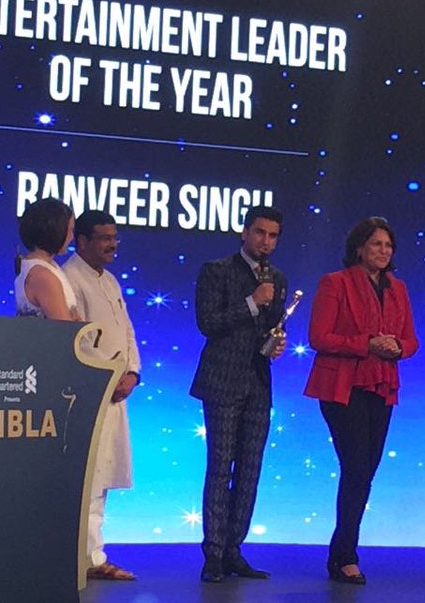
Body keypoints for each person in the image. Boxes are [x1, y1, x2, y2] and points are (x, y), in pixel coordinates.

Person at [304, 216, 418, 585]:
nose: (383, 251)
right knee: (355, 467)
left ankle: (341, 552)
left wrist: (397, 346)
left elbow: (411, 340)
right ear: (359, 248)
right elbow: (319, 337)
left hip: (382, 385)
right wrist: (367, 344)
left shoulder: (398, 288)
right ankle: (345, 556)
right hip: (343, 386)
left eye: (388, 245)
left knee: (366, 470)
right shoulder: (335, 283)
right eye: (376, 244)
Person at [190, 205, 288, 583]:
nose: (266, 241)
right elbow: (207, 323)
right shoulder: (216, 270)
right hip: (222, 381)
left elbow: (272, 326)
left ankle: (234, 550)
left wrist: (276, 342)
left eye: (273, 235)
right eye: (260, 232)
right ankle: (213, 554)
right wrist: (252, 302)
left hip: (258, 384)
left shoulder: (277, 278)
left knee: (250, 470)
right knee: (220, 468)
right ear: (245, 233)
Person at [63, 210, 140, 581]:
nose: (113, 245)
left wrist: (133, 372)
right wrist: (109, 375)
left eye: (115, 237)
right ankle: (86, 557)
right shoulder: (69, 278)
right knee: (88, 477)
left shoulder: (109, 280)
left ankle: (93, 553)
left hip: (115, 392)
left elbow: (127, 331)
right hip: (89, 392)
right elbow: (75, 340)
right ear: (82, 240)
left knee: (103, 475)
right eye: (105, 238)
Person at [15, 198, 78, 322]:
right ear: (57, 231)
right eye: (70, 230)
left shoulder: (48, 267)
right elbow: (64, 327)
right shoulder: (42, 275)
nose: (72, 237)